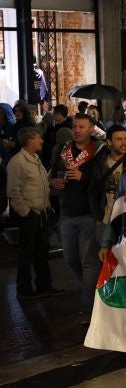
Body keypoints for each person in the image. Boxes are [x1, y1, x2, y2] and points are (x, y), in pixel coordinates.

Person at [48, 112, 106, 308]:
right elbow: (52, 174)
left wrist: (83, 177)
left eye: (82, 127)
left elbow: (102, 183)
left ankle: (89, 304)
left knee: (89, 261)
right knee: (70, 258)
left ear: (91, 129)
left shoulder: (98, 151)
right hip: (66, 212)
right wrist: (54, 182)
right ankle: (92, 288)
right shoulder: (63, 150)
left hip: (89, 214)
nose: (77, 131)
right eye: (75, 127)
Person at [7, 126, 56, 299]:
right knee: (27, 253)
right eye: (38, 138)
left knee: (42, 251)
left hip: (41, 212)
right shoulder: (18, 162)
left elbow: (40, 182)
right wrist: (26, 212)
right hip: (30, 214)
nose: (42, 140)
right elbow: (13, 191)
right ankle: (24, 289)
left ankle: (44, 285)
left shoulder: (35, 159)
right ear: (29, 140)